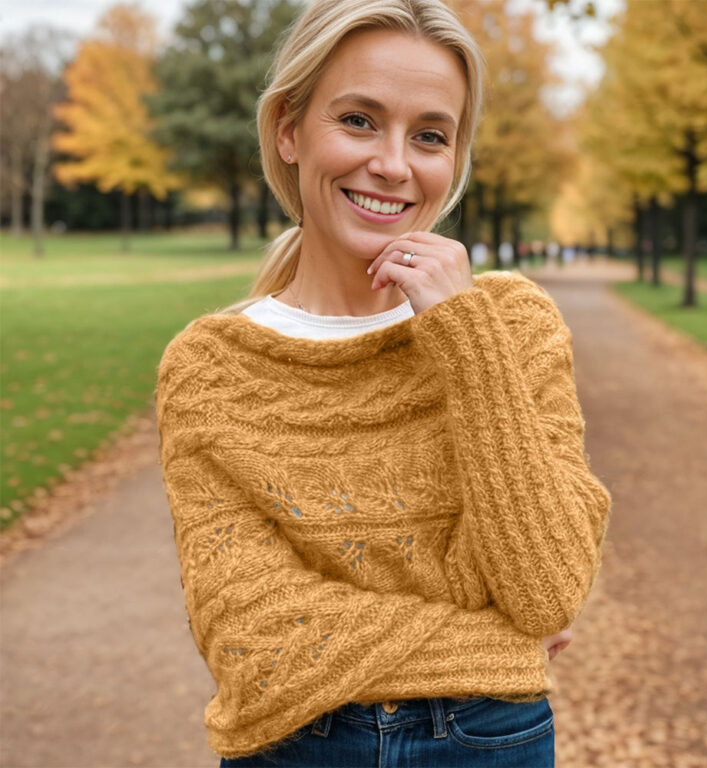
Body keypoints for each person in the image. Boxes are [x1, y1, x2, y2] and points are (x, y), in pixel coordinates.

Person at [154, 1, 612, 766]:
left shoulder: (510, 326)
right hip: (297, 747)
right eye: (360, 120)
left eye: (429, 135)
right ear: (289, 132)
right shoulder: (212, 369)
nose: (394, 164)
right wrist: (488, 640)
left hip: (489, 746)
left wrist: (465, 340)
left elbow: (545, 589)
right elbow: (251, 637)